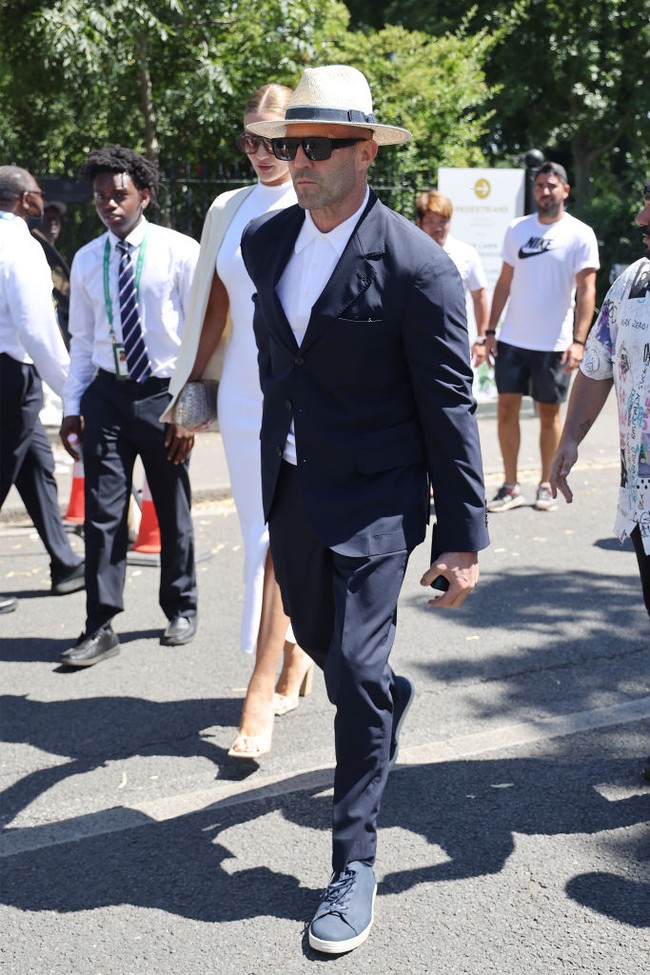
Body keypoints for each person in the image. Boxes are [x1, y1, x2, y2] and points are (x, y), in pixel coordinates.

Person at [240, 64, 489, 955]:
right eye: (289, 144)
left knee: (351, 661)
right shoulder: (267, 243)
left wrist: (461, 536)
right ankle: (379, 698)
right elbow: (280, 362)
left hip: (380, 497)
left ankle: (353, 862)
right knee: (335, 656)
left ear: (366, 151)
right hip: (295, 487)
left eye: (317, 146)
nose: (298, 160)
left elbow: (450, 406)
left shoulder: (418, 267)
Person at [166, 84, 312, 759]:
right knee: (259, 532)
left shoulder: (314, 196)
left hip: (302, 391)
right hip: (244, 393)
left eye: (274, 139)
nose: (261, 152)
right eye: (250, 139)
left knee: (279, 533)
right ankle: (293, 649)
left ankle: (261, 681)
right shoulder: (227, 207)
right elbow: (214, 308)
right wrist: (187, 393)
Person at [59, 146, 199, 667]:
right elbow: (81, 340)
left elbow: (199, 337)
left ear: (145, 194)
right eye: (100, 197)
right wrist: (72, 406)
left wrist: (189, 410)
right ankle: (100, 625)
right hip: (108, 397)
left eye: (119, 194)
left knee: (171, 506)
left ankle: (181, 606)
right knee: (102, 515)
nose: (109, 205)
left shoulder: (179, 251)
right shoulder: (86, 258)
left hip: (164, 396)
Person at [550, 179, 650, 785]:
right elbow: (597, 364)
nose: (639, 217)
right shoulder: (633, 282)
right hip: (644, 499)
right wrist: (569, 440)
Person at [485, 161, 599, 513]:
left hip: (554, 344)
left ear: (565, 190)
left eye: (551, 185)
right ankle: (510, 486)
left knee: (549, 415)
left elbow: (587, 290)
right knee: (506, 410)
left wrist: (579, 341)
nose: (544, 191)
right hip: (512, 340)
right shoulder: (517, 229)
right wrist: (490, 331)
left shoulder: (580, 233)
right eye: (539, 186)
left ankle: (547, 485)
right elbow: (504, 282)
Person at [0, 165, 85, 610]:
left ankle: (65, 563)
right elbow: (36, 329)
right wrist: (73, 390)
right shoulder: (20, 245)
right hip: (11, 375)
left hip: (9, 374)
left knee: (36, 465)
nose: (41, 198)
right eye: (37, 191)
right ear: (23, 199)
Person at [415, 189, 489, 362]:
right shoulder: (407, 252)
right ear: (419, 221)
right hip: (416, 345)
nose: (438, 228)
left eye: (443, 221)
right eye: (430, 221)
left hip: (454, 345)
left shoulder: (466, 253)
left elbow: (479, 296)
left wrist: (481, 339)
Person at [31, 200, 71, 348]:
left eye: (56, 219)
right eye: (48, 218)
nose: (53, 223)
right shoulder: (34, 248)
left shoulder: (50, 251)